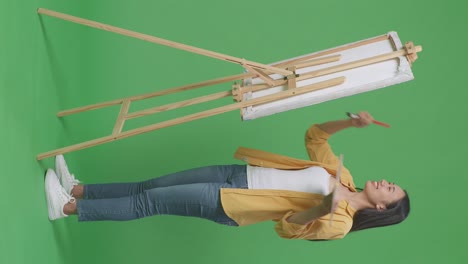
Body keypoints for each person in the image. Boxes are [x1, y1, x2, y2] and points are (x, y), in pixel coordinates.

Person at [44, 111, 410, 240]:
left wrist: (322, 208)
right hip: (238, 174)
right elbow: (316, 135)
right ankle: (79, 188)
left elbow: (288, 228)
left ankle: (67, 208)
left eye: (390, 190)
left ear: (382, 209)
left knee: (148, 202)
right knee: (150, 185)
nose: (386, 183)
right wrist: (350, 123)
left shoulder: (340, 224)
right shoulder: (343, 174)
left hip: (231, 203)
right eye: (391, 183)